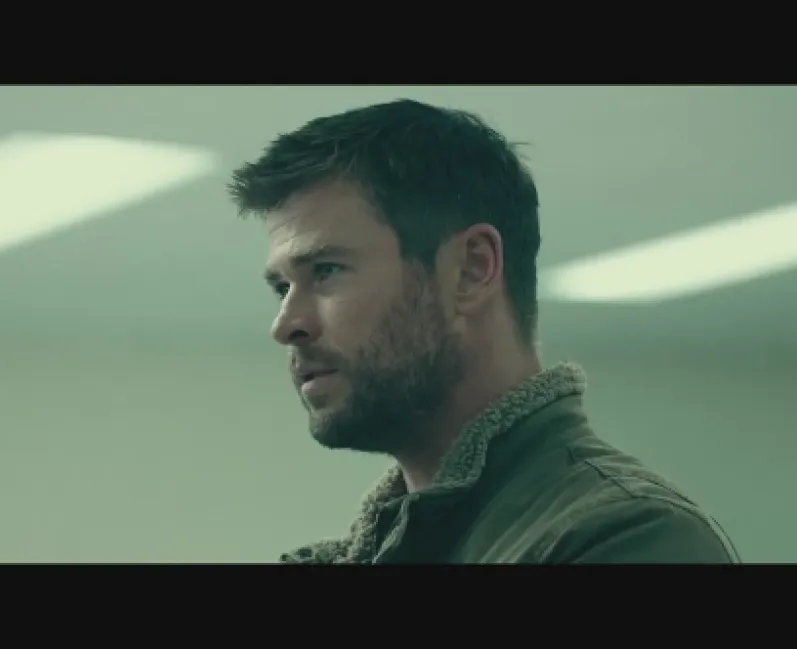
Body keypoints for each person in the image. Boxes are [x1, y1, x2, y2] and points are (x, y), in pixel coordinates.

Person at [227, 98, 739, 564]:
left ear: (471, 270)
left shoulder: (626, 539)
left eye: (326, 271)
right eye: (282, 287)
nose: (286, 324)